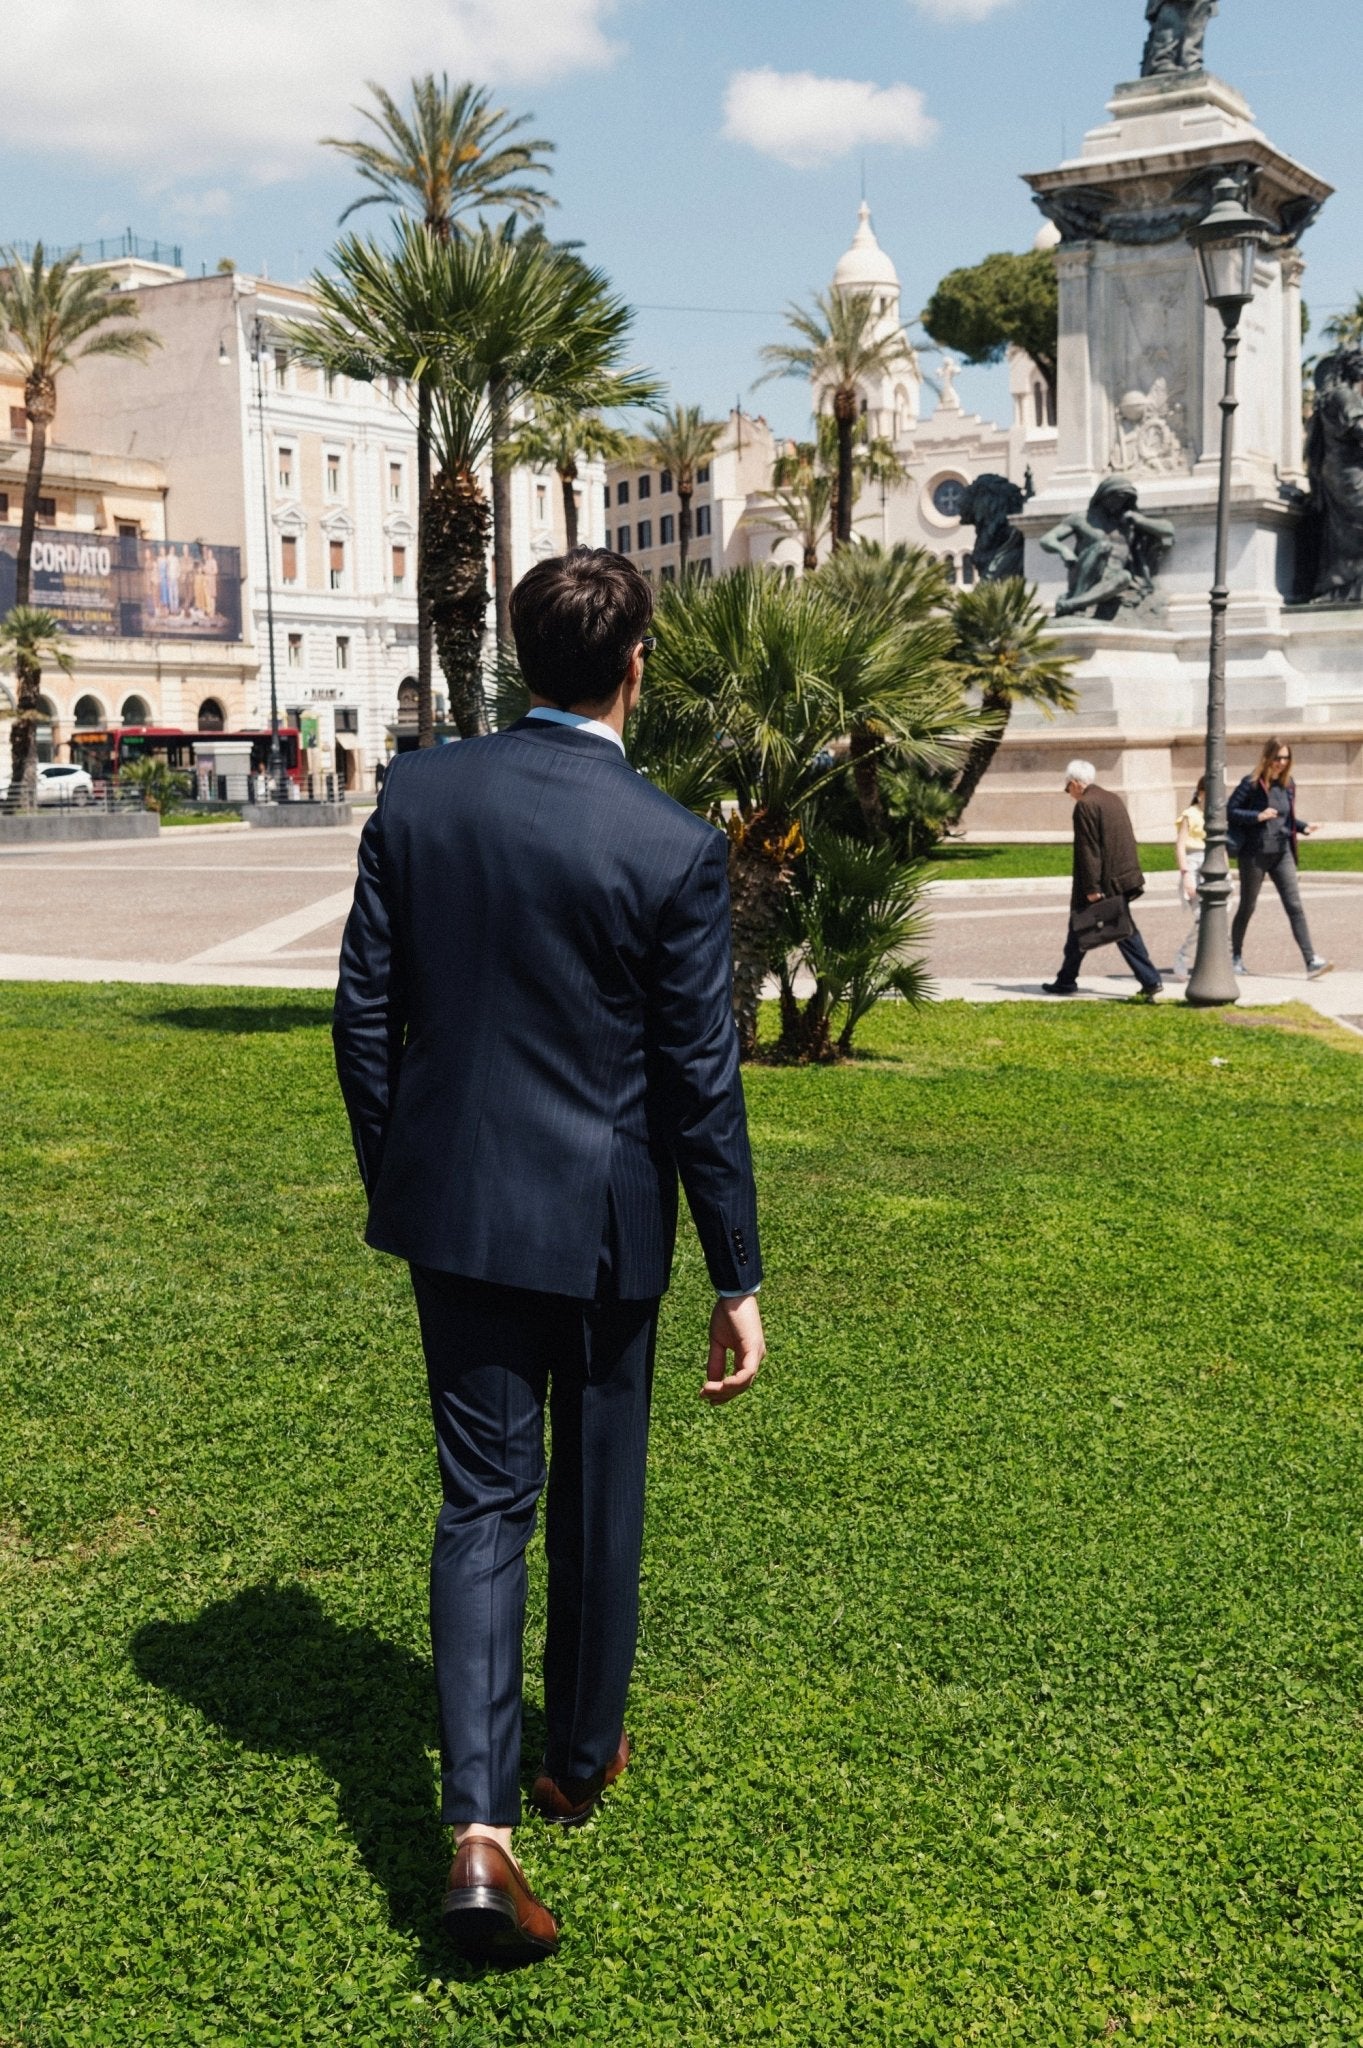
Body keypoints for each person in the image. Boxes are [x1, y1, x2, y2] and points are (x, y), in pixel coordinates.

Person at [333, 547, 765, 1967]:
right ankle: (575, 1758)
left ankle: (475, 1832)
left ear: (524, 655)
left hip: (452, 1211)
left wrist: (414, 1177)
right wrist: (736, 1274)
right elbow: (699, 1078)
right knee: (596, 1491)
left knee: (480, 1506)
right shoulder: (668, 843)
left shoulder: (418, 793)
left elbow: (363, 1023)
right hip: (604, 1224)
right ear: (636, 666)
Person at [1043, 759, 1164, 1000]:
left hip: (1104, 882)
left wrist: (1092, 888)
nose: (1068, 793)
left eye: (1067, 787)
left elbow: (1090, 850)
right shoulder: (1112, 799)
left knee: (1122, 931)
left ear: (1076, 783)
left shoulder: (1086, 806)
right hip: (1122, 876)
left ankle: (1150, 980)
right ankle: (1066, 979)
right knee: (1079, 927)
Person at [1228, 739, 1333, 978]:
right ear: (1267, 757)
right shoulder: (1252, 783)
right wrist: (1257, 815)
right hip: (1255, 854)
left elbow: (1285, 820)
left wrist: (1304, 827)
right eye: (1277, 758)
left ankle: (1311, 961)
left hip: (1281, 852)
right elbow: (1230, 811)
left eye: (1286, 758)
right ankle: (1235, 956)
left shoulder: (1288, 784)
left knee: (1295, 905)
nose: (1282, 763)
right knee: (1247, 906)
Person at [1170, 774, 1206, 981]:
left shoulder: (1216, 816)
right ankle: (1183, 955)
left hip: (1212, 866)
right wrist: (1186, 875)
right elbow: (1180, 845)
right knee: (1202, 917)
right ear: (1200, 794)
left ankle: (1213, 959)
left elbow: (1221, 847)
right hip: (1193, 865)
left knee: (1217, 918)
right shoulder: (1189, 815)